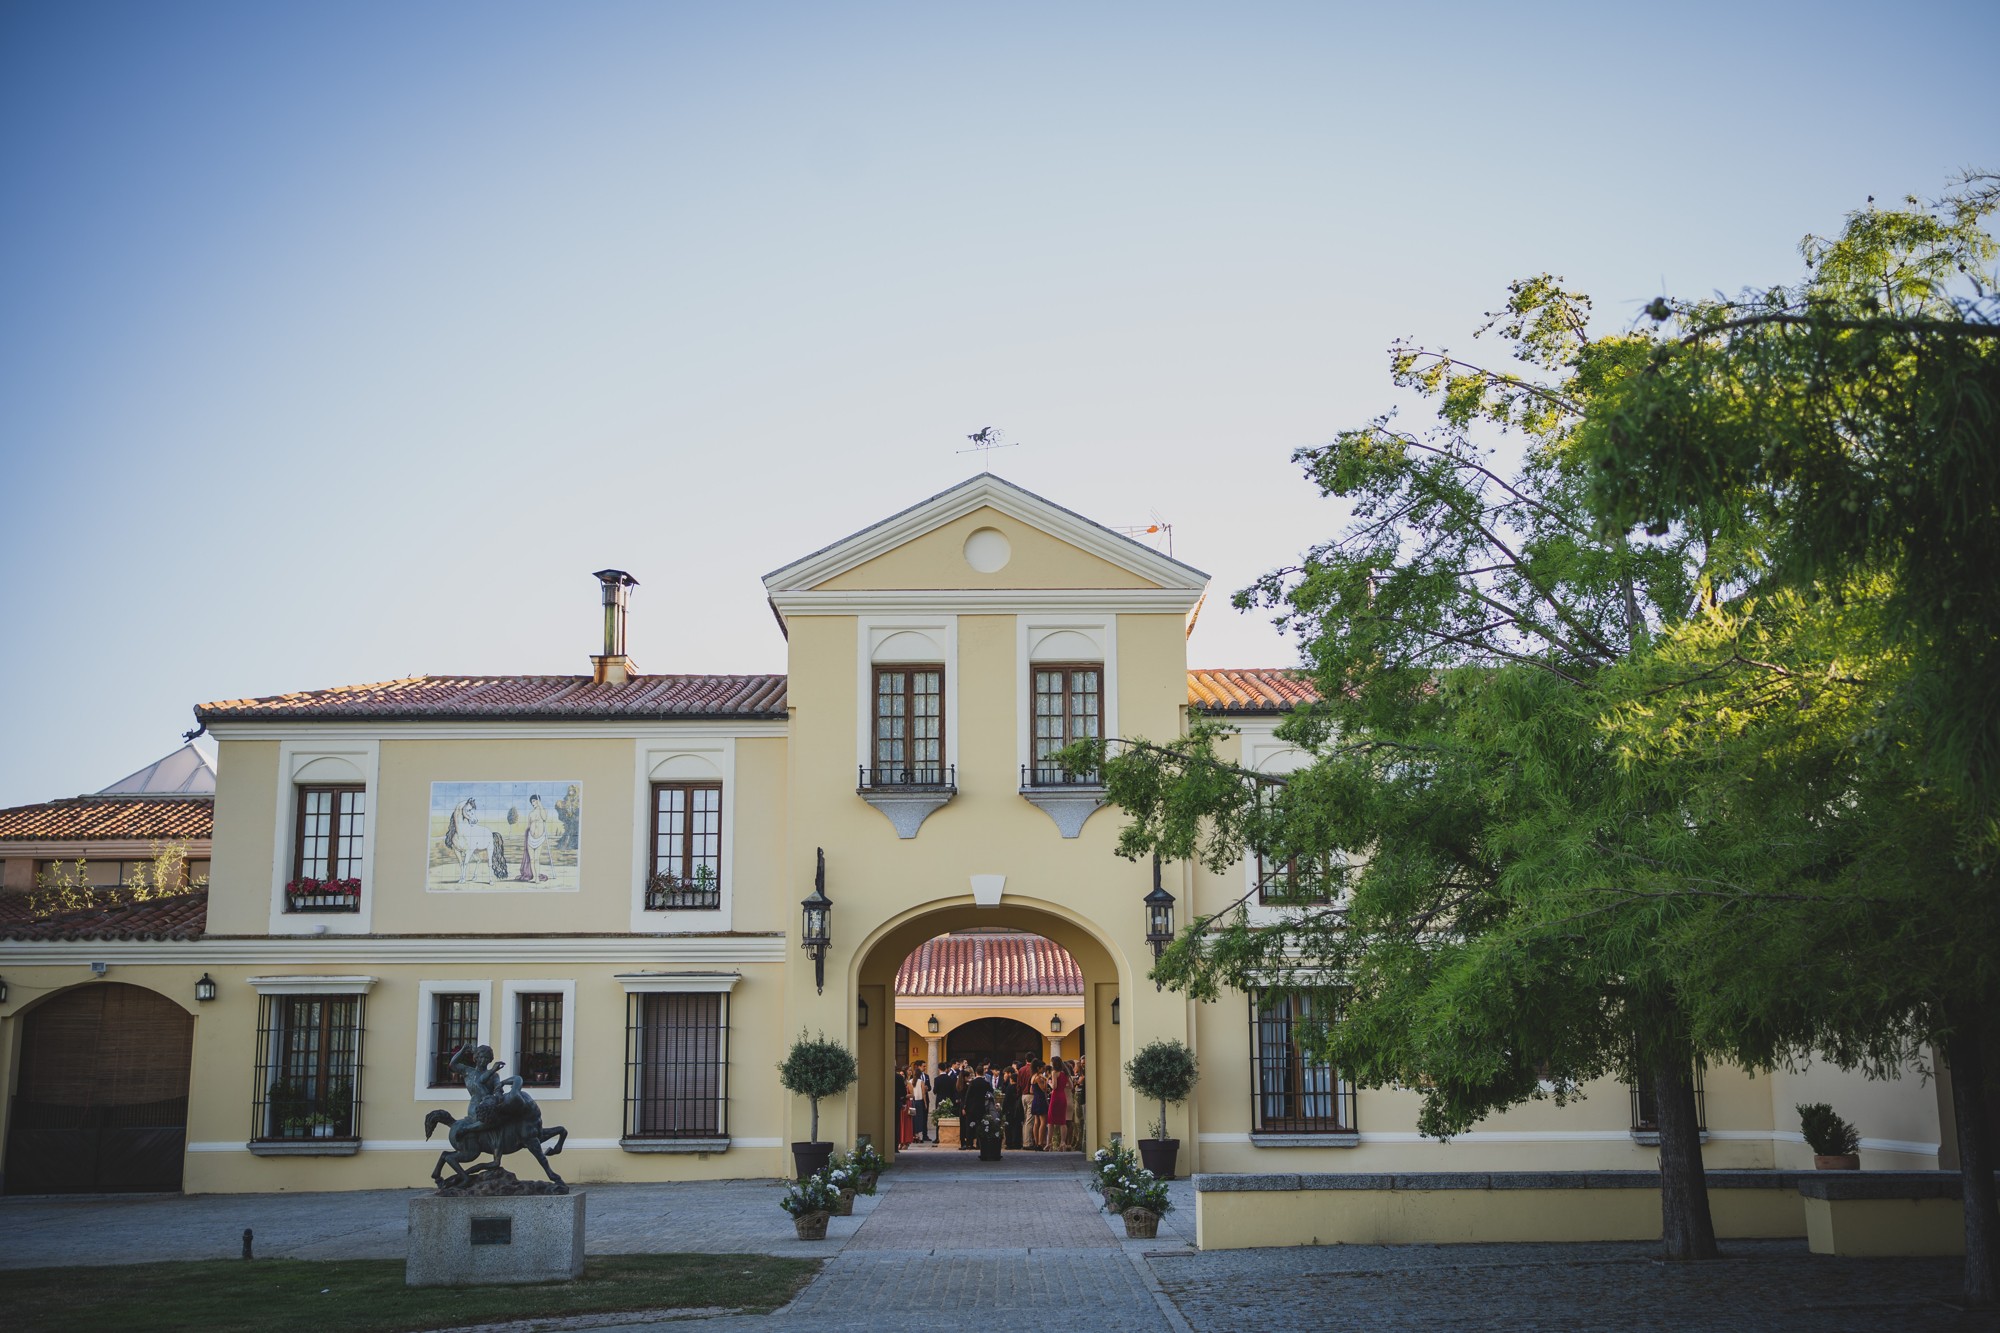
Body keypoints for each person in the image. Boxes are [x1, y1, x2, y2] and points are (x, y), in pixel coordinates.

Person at [514, 793, 550, 882]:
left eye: (534, 800)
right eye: (532, 801)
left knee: (537, 858)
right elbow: (529, 825)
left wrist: (540, 805)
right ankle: (534, 877)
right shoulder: (531, 814)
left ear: (538, 801)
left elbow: (545, 818)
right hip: (530, 838)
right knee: (532, 859)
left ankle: (537, 878)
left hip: (539, 838)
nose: (532, 802)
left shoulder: (543, 811)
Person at [1050, 1060, 1072, 1151]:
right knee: (1063, 1121)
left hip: (1056, 1096)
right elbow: (1071, 1086)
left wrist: (1050, 1083)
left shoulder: (1054, 1072)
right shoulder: (1066, 1074)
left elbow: (1054, 1087)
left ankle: (1050, 1143)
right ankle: (1063, 1142)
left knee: (1051, 1120)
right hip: (1064, 1097)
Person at [908, 1061, 930, 1143]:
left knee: (913, 1119)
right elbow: (924, 1094)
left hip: (912, 1103)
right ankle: (919, 1137)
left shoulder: (909, 1082)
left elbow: (910, 1093)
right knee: (920, 1119)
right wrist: (925, 1103)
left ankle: (913, 1135)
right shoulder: (921, 1082)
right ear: (920, 1075)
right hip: (919, 1103)